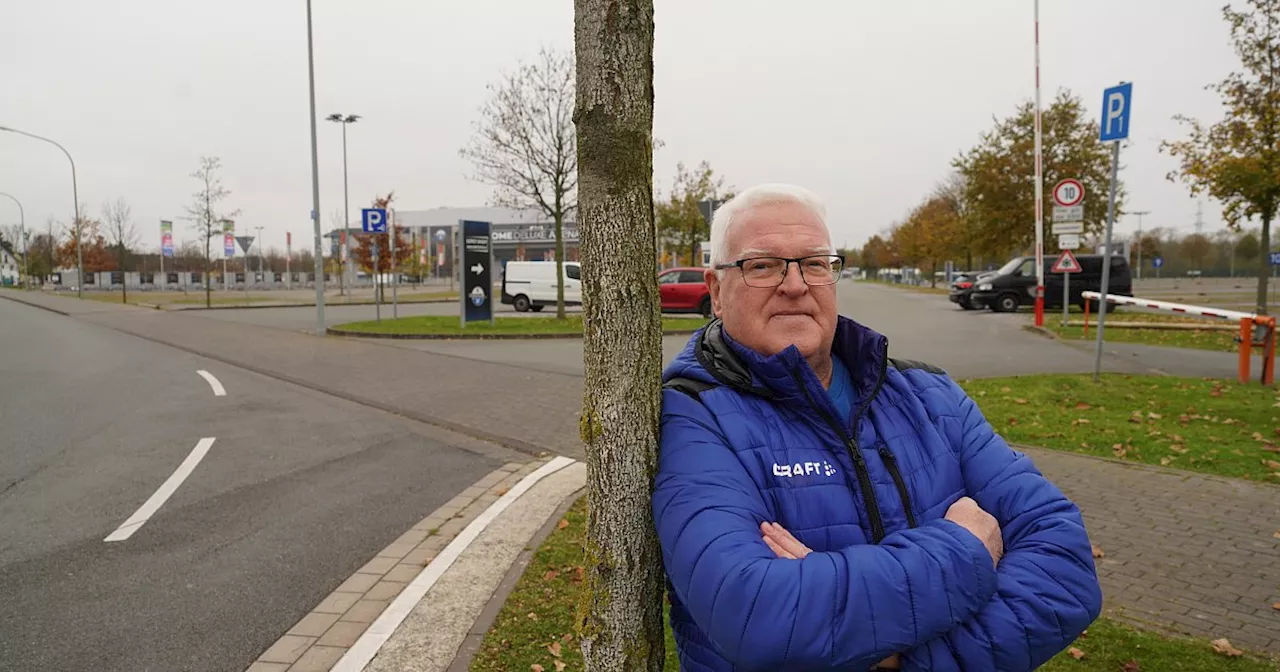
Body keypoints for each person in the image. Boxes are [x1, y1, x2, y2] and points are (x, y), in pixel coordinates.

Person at [653, 184, 1102, 672]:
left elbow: (1065, 567)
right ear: (716, 290)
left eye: (815, 263)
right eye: (762, 266)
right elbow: (756, 614)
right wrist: (964, 548)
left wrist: (894, 659)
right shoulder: (694, 413)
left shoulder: (929, 395)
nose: (795, 284)